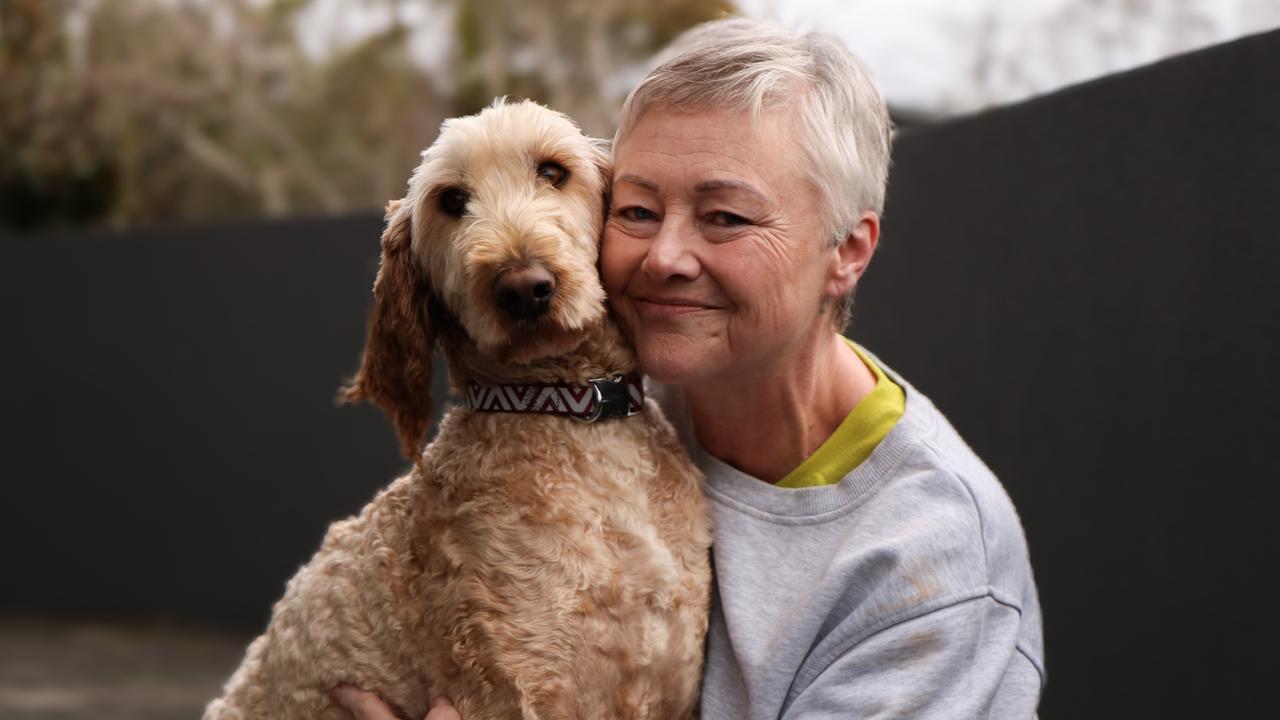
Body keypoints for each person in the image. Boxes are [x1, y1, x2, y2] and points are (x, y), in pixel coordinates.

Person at [334, 17, 1044, 720]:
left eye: (726, 217)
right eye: (638, 210)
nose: (663, 257)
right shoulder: (597, 415)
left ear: (848, 251)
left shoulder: (933, 573)